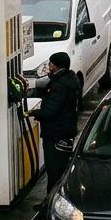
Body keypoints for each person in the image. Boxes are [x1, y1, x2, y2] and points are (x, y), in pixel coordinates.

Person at [30, 52, 81, 193]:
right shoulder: (70, 80)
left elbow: (51, 111)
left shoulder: (58, 85)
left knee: (53, 170)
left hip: (55, 133)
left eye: (50, 64)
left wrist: (34, 113)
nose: (49, 67)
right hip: (65, 130)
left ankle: (51, 201)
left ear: (55, 65)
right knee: (61, 168)